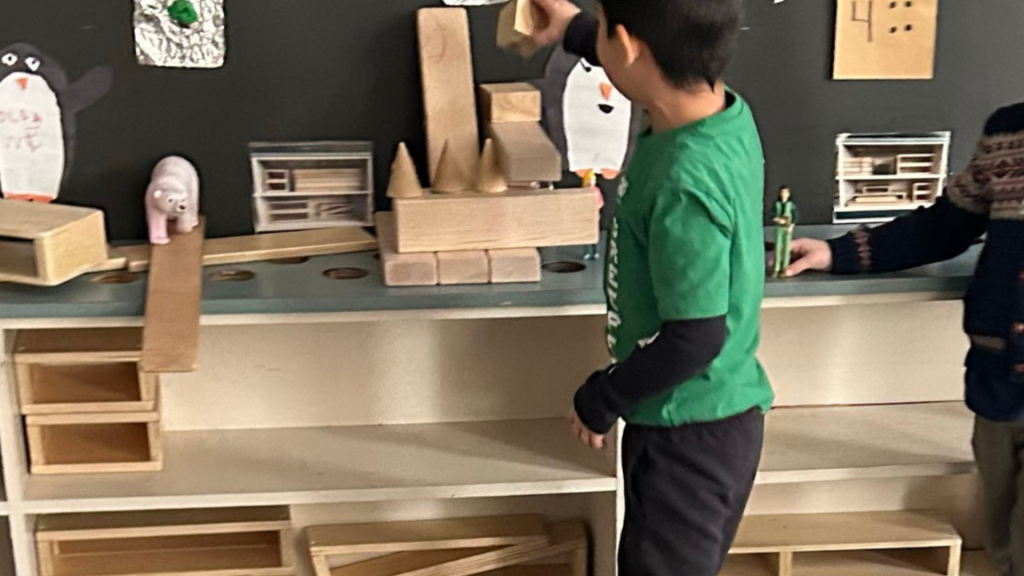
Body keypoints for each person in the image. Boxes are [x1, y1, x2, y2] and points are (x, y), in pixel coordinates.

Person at [527, 1, 774, 575]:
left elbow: (694, 339)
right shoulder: (721, 113)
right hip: (703, 420)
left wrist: (602, 397)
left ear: (629, 46)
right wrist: (576, 30)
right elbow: (657, 55)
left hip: (686, 433)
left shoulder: (684, 181)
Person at [782, 104, 1024, 576]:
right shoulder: (1008, 131)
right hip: (996, 383)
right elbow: (945, 225)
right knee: (1002, 542)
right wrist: (837, 252)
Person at [772, 186, 797, 277]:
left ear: (788, 194)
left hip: (787, 228)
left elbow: (794, 217)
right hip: (779, 227)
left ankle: (784, 268)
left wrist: (791, 226)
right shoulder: (777, 204)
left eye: (786, 192)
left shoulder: (791, 205)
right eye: (782, 192)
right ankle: (776, 268)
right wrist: (778, 220)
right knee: (778, 247)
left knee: (786, 248)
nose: (784, 194)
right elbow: (772, 215)